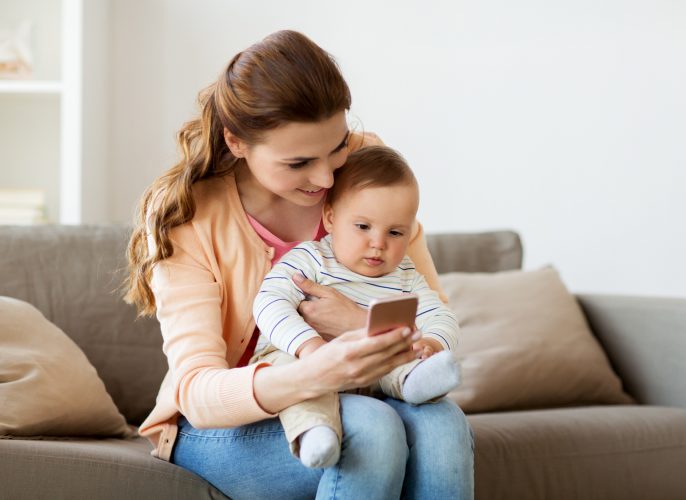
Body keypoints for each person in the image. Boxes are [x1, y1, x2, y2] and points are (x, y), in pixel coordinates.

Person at [125, 30, 473, 499]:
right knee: (371, 429)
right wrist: (319, 369)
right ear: (237, 142)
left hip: (363, 392)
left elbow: (427, 304)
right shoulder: (186, 214)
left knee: (443, 423)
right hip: (225, 424)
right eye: (299, 163)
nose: (327, 177)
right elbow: (198, 391)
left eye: (337, 146)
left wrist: (358, 324)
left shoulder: (366, 166)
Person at [253, 145, 462, 469]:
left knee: (399, 352)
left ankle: (418, 382)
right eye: (363, 227)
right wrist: (309, 347)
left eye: (395, 232)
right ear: (331, 217)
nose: (378, 243)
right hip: (303, 357)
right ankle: (315, 431)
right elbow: (269, 303)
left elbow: (440, 316)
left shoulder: (405, 275)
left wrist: (432, 343)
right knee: (292, 373)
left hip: (371, 366)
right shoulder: (311, 259)